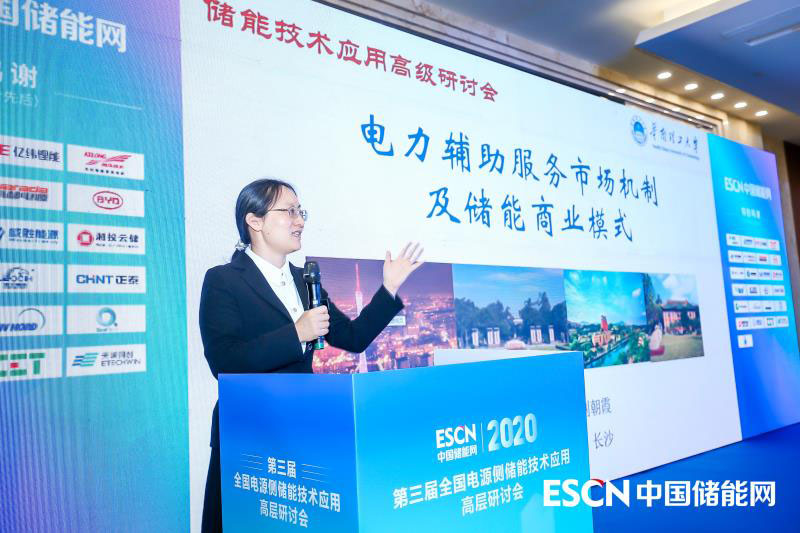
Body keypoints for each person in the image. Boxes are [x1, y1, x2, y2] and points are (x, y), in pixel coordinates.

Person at [198, 178, 423, 532]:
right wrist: (296, 333)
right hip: (248, 434)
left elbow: (353, 337)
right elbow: (224, 360)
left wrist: (389, 287)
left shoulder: (306, 280)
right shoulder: (224, 279)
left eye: (300, 211)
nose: (299, 220)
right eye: (288, 211)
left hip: (301, 429)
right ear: (254, 220)